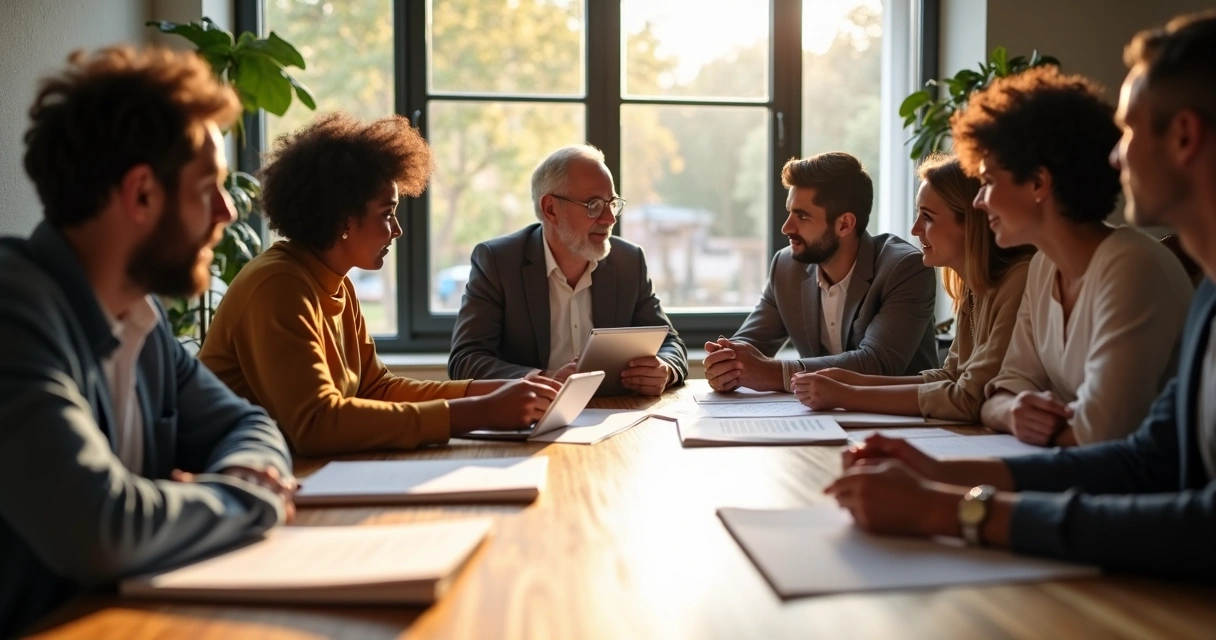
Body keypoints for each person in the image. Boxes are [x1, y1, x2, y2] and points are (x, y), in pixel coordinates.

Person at [826, 10, 1216, 577]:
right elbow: (1146, 460)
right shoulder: (1207, 293)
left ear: (1183, 137)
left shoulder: (1136, 267)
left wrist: (953, 510)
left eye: (1129, 131)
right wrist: (936, 473)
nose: (1115, 154)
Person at [0, 46, 296, 637]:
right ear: (140, 194)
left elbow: (248, 426)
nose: (229, 210)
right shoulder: (13, 312)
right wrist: (247, 499)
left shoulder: (142, 314)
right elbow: (97, 528)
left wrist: (239, 470)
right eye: (206, 187)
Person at [199, 113, 559, 456]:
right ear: (342, 217)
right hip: (231, 480)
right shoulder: (278, 286)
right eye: (387, 214)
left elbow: (377, 389)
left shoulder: (334, 282)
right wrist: (481, 411)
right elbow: (316, 424)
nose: (398, 229)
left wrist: (507, 391)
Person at [958, 66, 1194, 447]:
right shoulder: (1043, 265)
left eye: (987, 182)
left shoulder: (1133, 267)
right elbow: (1003, 390)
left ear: (1038, 182)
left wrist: (1026, 420)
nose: (978, 201)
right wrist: (1012, 413)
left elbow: (1101, 434)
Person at [792, 155, 1034, 422]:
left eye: (927, 217)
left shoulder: (1017, 283)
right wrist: (854, 381)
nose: (915, 228)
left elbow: (969, 397)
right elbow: (949, 376)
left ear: (971, 223)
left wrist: (848, 394)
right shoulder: (973, 288)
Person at [448, 144, 688, 395]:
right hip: (531, 415)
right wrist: (544, 379)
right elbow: (465, 360)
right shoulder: (498, 262)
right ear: (551, 209)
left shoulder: (629, 261)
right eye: (594, 204)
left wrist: (665, 369)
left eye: (612, 203)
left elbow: (670, 343)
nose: (609, 219)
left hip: (613, 413)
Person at [703, 152, 938, 393]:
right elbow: (752, 342)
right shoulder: (786, 267)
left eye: (802, 216)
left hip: (902, 421)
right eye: (789, 212)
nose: (786, 227)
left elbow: (877, 363)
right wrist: (727, 364)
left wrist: (776, 373)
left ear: (844, 224)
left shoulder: (905, 268)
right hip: (819, 419)